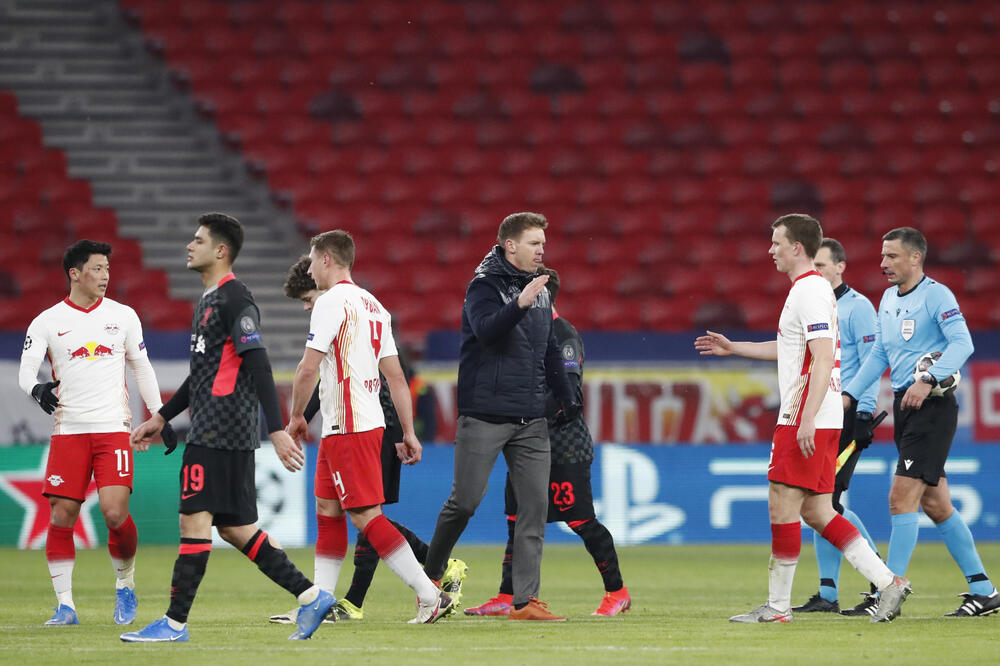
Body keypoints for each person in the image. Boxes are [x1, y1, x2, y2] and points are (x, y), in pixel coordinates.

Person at [122, 213, 334, 642]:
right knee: (236, 529)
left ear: (220, 251)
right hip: (219, 430)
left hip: (218, 431)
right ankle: (311, 596)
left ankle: (174, 623)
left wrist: (276, 428)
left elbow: (258, 361)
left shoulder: (236, 299)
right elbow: (201, 373)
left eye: (197, 240)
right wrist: (162, 415)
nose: (189, 245)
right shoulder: (208, 300)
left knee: (193, 525)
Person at [695, 213, 910, 624]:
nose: (770, 250)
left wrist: (806, 418)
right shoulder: (810, 290)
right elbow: (792, 349)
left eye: (776, 242)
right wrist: (733, 347)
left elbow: (825, 355)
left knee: (782, 503)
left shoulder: (808, 291)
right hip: (819, 413)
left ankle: (778, 608)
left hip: (805, 414)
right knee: (818, 511)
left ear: (797, 247)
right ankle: (889, 583)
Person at [269, 256, 465, 624]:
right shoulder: (372, 306)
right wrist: (407, 431)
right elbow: (394, 376)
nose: (308, 306)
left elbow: (308, 369)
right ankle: (320, 601)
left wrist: (295, 417)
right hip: (343, 426)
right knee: (328, 511)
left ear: (325, 267)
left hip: (352, 426)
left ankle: (429, 594)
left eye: (308, 297)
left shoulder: (333, 305)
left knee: (365, 516)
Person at [423, 212, 577, 622]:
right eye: (533, 243)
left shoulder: (541, 290)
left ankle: (525, 601)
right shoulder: (483, 285)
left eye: (543, 243)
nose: (542, 250)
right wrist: (521, 302)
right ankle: (431, 576)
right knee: (465, 502)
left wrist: (566, 395)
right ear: (510, 245)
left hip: (531, 418)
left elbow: (546, 348)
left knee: (533, 508)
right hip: (486, 414)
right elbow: (488, 330)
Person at [842, 227, 998, 617]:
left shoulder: (937, 295)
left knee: (901, 499)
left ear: (915, 258)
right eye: (882, 256)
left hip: (933, 407)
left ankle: (888, 589)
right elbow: (878, 355)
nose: (883, 264)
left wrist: (928, 380)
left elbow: (963, 343)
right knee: (936, 503)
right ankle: (985, 591)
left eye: (892, 256)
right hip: (904, 405)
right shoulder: (888, 299)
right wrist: (846, 395)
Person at [18, 239, 174, 627]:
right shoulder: (47, 321)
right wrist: (35, 388)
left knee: (115, 512)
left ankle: (125, 585)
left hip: (111, 430)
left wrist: (159, 414)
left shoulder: (123, 316)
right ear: (75, 273)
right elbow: (26, 368)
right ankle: (65, 606)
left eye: (107, 268)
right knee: (61, 515)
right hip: (69, 432)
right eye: (97, 269)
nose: (105, 276)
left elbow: (142, 367)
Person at [464, 267, 630, 618]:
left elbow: (567, 392)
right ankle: (508, 596)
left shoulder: (563, 333)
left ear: (541, 293)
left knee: (581, 520)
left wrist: (526, 414)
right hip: (524, 440)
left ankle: (617, 591)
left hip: (564, 443)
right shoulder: (525, 329)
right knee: (517, 520)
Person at [792, 238, 883, 616]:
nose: (819, 273)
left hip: (848, 415)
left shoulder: (858, 307)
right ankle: (828, 593)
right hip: (826, 411)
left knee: (826, 502)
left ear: (841, 267)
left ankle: (883, 582)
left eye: (825, 266)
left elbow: (875, 359)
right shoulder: (820, 305)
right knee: (820, 501)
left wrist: (863, 412)